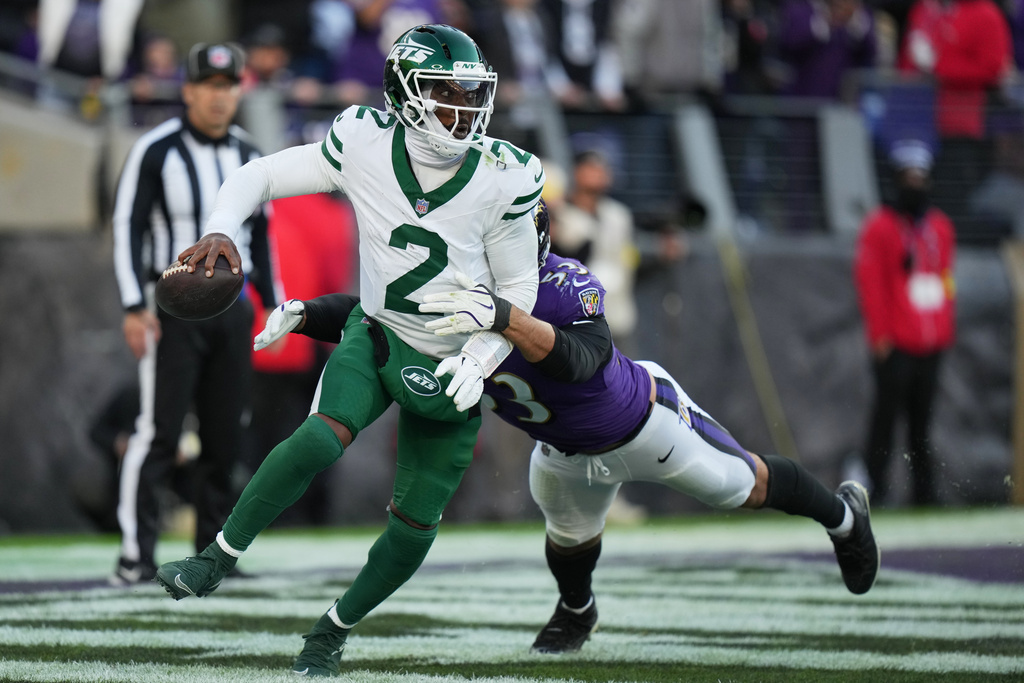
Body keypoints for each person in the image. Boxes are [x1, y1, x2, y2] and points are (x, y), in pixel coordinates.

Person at [265, 200, 881, 657]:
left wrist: (503, 317)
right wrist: (306, 313)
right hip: (560, 450)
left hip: (646, 424)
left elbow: (580, 361)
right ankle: (577, 610)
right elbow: (380, 319)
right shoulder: (454, 290)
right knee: (568, 535)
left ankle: (845, 518)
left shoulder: (566, 283)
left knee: (743, 486)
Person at [152, 24, 544, 678]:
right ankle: (214, 559)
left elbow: (519, 286)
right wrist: (221, 225)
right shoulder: (364, 140)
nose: (464, 110)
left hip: (451, 359)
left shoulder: (505, 175)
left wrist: (480, 358)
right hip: (378, 332)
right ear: (404, 94)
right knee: (317, 438)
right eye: (446, 93)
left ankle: (331, 630)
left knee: (414, 528)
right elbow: (260, 174)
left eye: (471, 94)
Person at [110, 42, 278, 586]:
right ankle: (136, 555)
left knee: (225, 436)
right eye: (209, 85)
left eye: (229, 86)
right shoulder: (155, 149)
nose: (219, 96)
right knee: (157, 433)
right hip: (173, 310)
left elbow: (264, 232)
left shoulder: (250, 155)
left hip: (234, 311)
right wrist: (134, 305)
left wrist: (273, 305)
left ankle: (212, 555)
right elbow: (126, 225)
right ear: (187, 91)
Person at [854, 140, 956, 506]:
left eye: (921, 177)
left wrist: (944, 327)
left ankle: (924, 493)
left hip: (931, 342)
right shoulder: (880, 227)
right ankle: (876, 490)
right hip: (896, 342)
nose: (915, 184)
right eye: (908, 177)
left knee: (922, 424)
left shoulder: (940, 228)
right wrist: (880, 335)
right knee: (884, 421)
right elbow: (872, 284)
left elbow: (946, 279)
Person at [551, 149, 639, 356]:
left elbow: (625, 260)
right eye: (591, 168)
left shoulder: (618, 215)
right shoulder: (559, 214)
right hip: (574, 321)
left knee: (624, 379)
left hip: (618, 314)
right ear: (577, 172)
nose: (598, 174)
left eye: (602, 169)